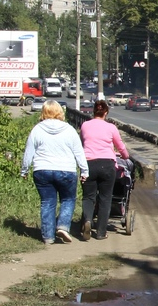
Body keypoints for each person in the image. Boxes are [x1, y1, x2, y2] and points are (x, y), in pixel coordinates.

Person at [21, 100, 88, 244]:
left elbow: (28, 153)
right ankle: (63, 226)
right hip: (66, 170)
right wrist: (84, 171)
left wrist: (24, 170)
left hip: (42, 170)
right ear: (60, 112)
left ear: (43, 112)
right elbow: (79, 152)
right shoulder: (69, 129)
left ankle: (48, 237)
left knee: (47, 202)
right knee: (68, 199)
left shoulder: (37, 129)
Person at [78, 99, 130, 241]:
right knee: (105, 199)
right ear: (106, 112)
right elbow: (120, 146)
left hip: (89, 164)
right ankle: (101, 232)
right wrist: (125, 156)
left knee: (89, 197)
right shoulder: (111, 127)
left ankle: (88, 220)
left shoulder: (85, 125)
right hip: (107, 165)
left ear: (94, 111)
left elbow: (83, 143)